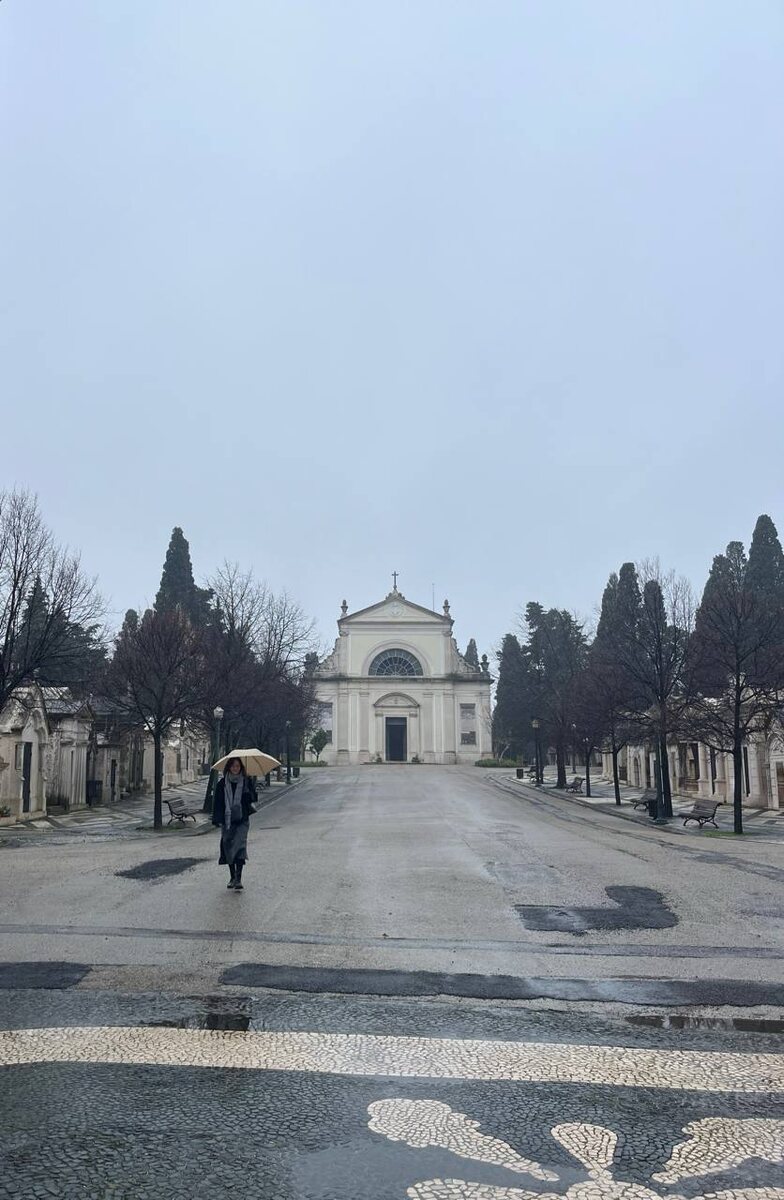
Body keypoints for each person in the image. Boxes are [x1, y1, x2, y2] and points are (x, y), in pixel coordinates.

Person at [212, 757, 256, 890]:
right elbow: (218, 803)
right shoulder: (222, 784)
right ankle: (232, 877)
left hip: (242, 820)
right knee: (228, 847)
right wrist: (217, 819)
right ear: (229, 768)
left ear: (241, 767)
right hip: (228, 821)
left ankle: (238, 878)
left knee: (240, 847)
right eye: (233, 766)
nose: (235, 768)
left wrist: (249, 790)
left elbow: (253, 798)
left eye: (237, 766)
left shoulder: (246, 781)